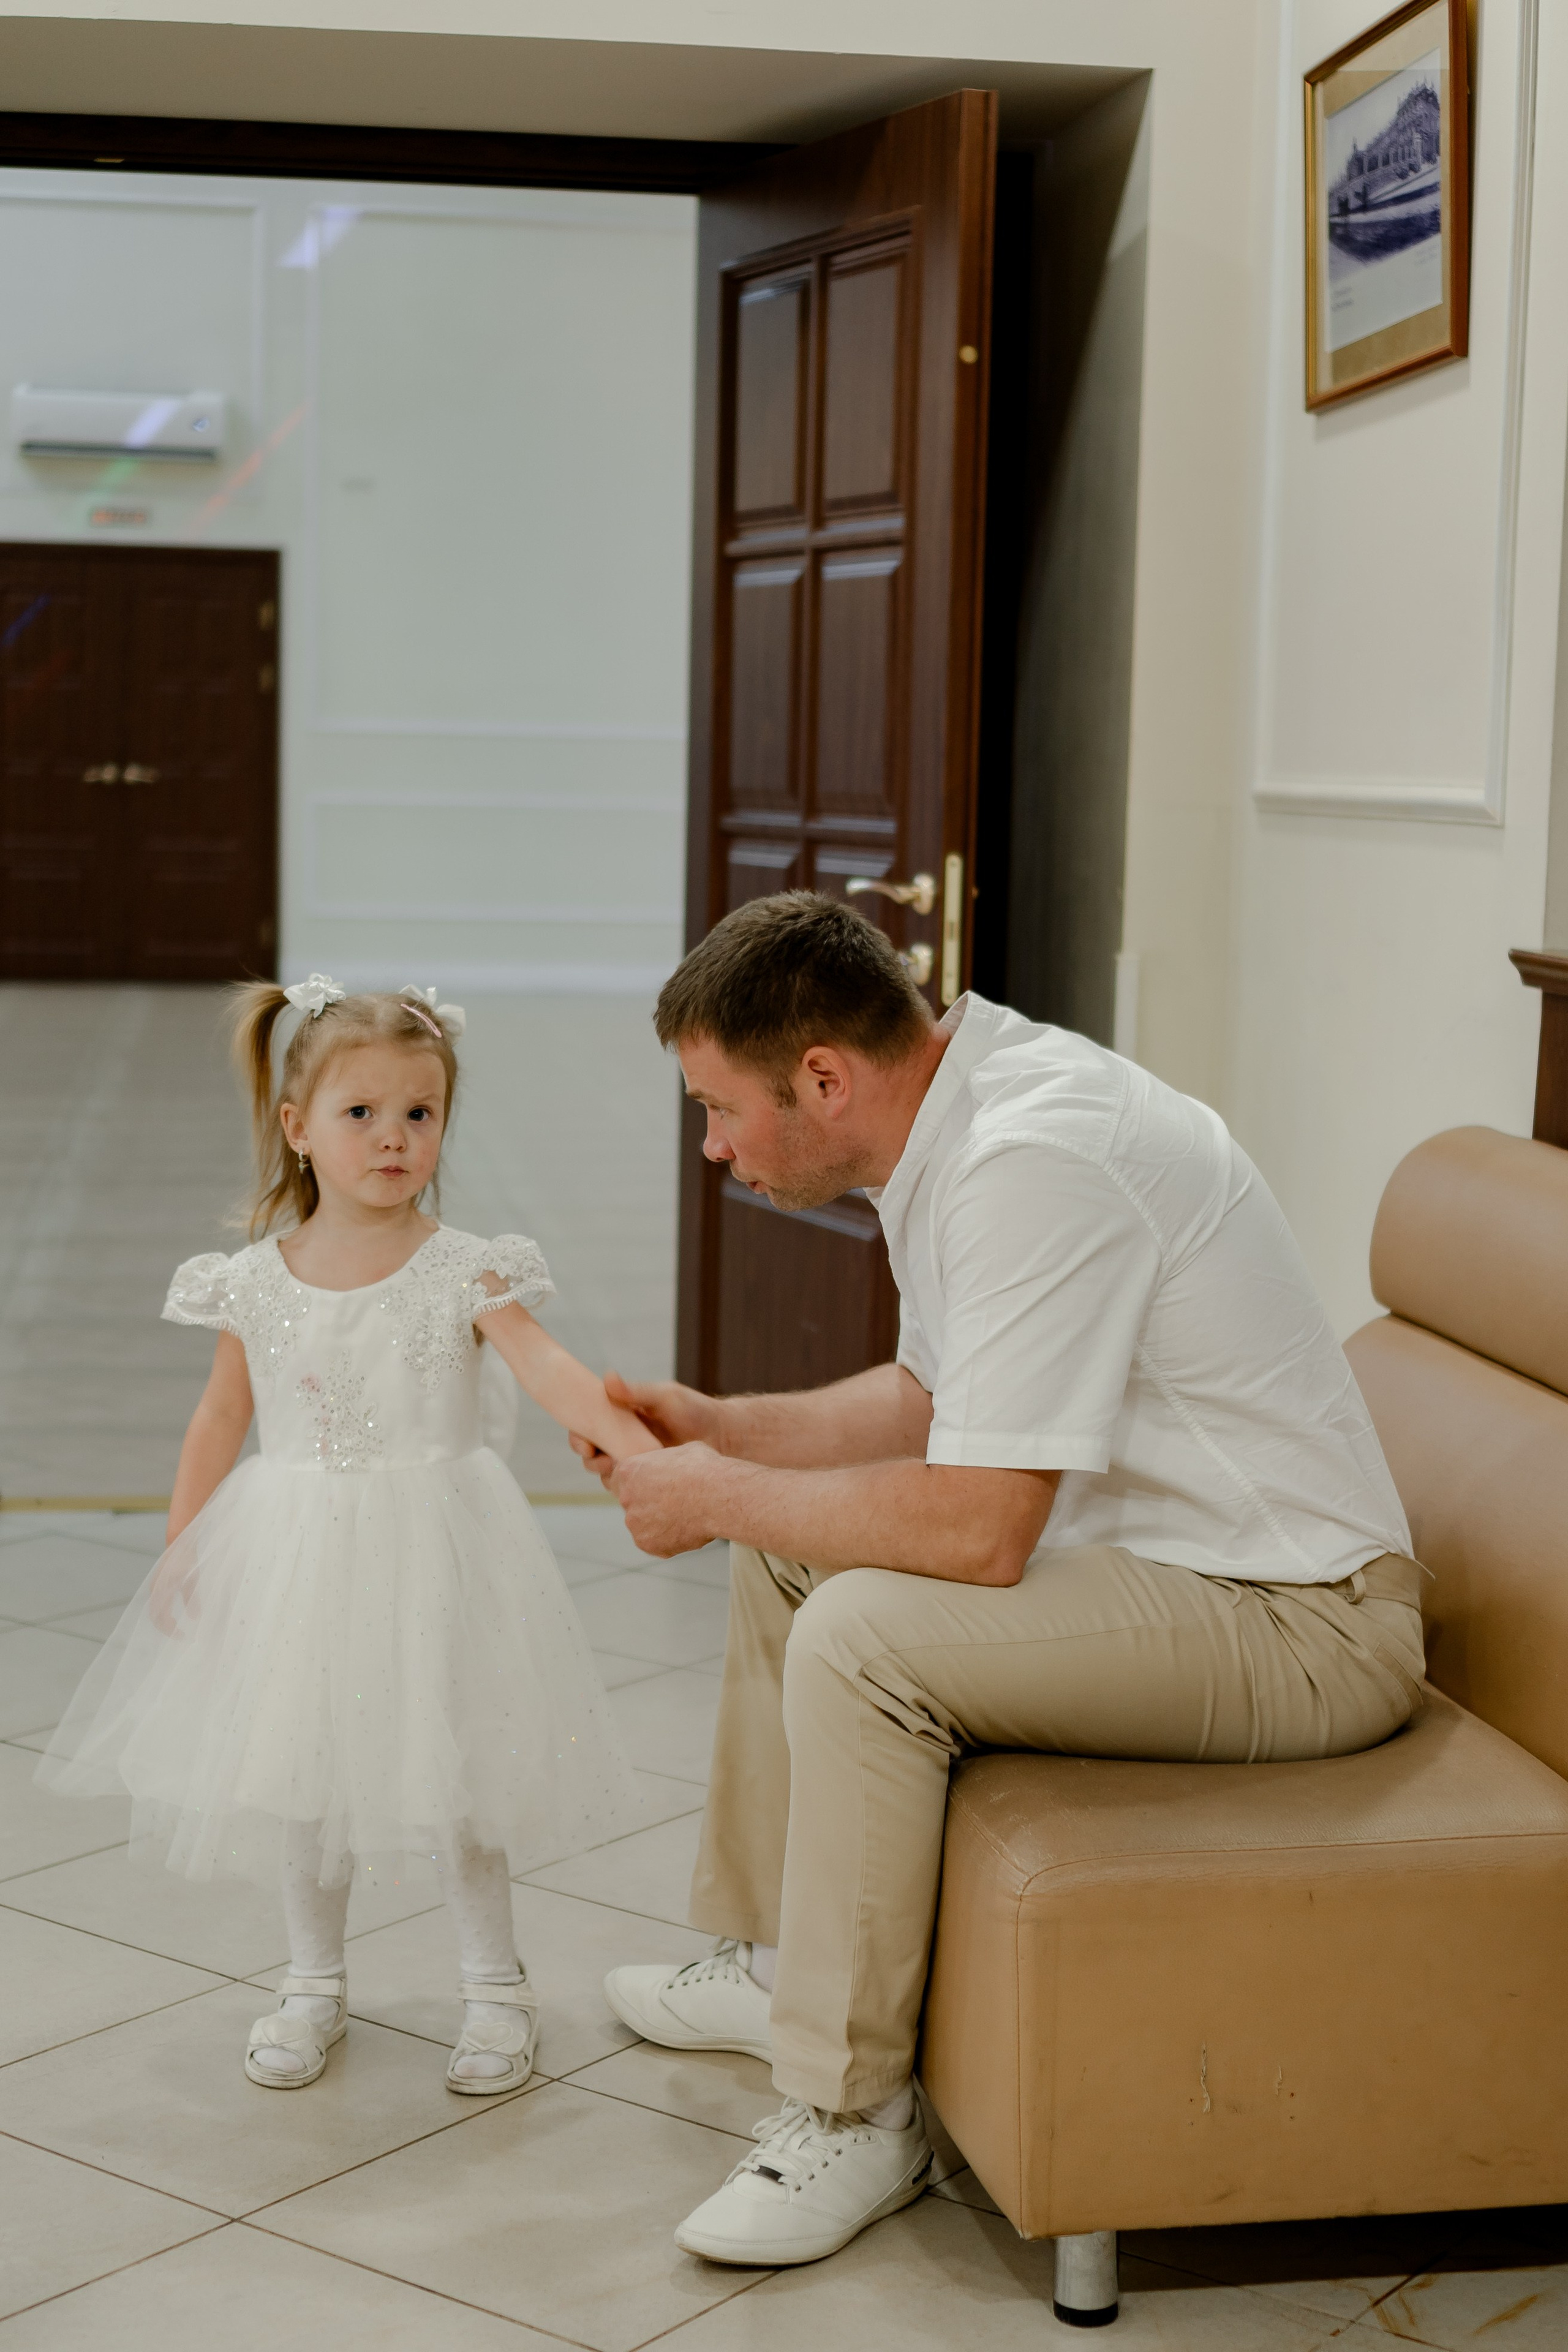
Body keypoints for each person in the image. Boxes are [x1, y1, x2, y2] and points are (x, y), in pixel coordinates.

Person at [578, 892, 1425, 2268]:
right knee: (795, 1540)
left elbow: (980, 1533)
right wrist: (724, 1432)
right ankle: (777, 1964)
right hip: (1186, 1574)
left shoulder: (1030, 1157)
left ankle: (852, 2114)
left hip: (1305, 1624)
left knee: (857, 1632)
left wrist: (713, 1495)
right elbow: (931, 1403)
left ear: (823, 1079)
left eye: (718, 1108)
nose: (714, 1146)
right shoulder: (959, 1111)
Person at [40, 974, 657, 2095]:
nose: (393, 1139)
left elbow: (546, 1369)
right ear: (298, 1128)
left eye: (419, 1115)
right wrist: (183, 1544)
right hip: (298, 1553)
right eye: (361, 1114)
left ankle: (495, 1986)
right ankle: (312, 1981)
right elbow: (222, 1416)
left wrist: (639, 1444)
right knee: (304, 1769)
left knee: (457, 1767)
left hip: (440, 1549)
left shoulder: (467, 1267)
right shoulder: (254, 1283)